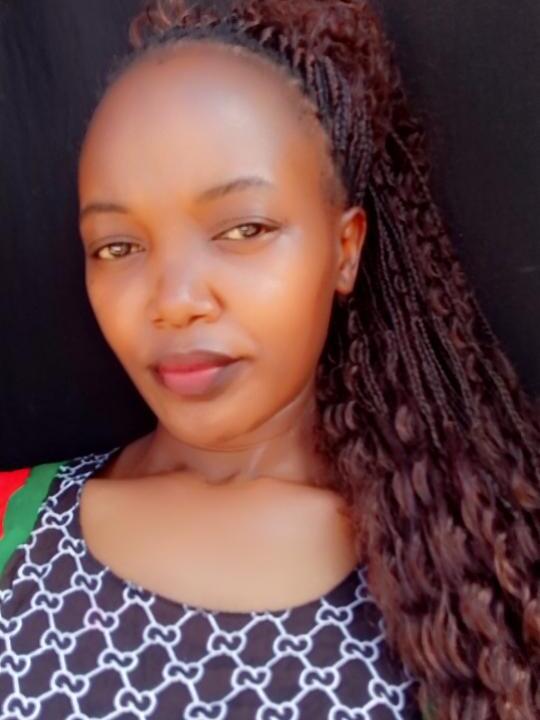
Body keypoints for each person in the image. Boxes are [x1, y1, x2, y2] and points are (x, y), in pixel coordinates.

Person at [0, 0, 538, 718]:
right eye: (118, 246)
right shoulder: (12, 524)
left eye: (243, 229)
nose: (175, 301)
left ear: (344, 250)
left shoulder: (474, 574)